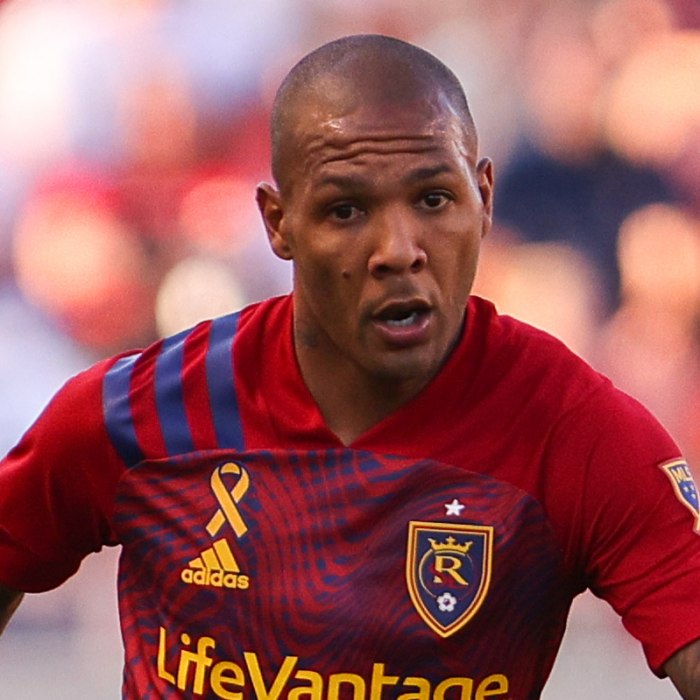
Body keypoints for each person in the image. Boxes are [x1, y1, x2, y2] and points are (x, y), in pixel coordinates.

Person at [1, 33, 699, 699]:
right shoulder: (145, 412)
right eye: (345, 210)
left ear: (484, 198)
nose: (398, 249)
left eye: (433, 199)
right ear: (279, 223)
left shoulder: (574, 432)